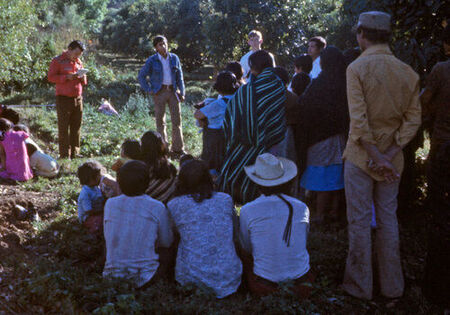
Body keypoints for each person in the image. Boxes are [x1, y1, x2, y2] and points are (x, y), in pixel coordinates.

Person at [342, 11, 421, 300]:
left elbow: (359, 122)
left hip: (361, 157)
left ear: (362, 34)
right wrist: (389, 155)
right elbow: (413, 121)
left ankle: (359, 287)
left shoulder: (356, 69)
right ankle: (392, 287)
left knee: (360, 222)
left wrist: (375, 155)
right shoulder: (407, 72)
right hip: (392, 161)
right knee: (388, 220)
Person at [239, 153, 313, 297]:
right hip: (303, 285)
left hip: (263, 286)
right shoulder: (302, 207)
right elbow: (304, 239)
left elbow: (246, 248)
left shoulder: (248, 210)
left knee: (244, 255)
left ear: (257, 183)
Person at [219, 50, 286, 204]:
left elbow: (230, 116)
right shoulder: (279, 85)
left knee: (235, 171)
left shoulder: (246, 90)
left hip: (243, 144)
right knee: (266, 178)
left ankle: (241, 205)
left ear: (253, 68)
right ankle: (263, 205)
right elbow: (277, 116)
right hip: (271, 144)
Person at [167, 159, 242, 298]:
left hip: (190, 281)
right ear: (208, 179)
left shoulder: (174, 205)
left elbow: (171, 236)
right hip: (229, 279)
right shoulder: (225, 199)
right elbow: (235, 233)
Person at [295, 46, 349, 223]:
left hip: (319, 138)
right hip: (339, 137)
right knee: (335, 174)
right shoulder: (345, 81)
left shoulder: (320, 82)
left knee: (322, 176)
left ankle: (319, 214)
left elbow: (304, 106)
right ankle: (333, 210)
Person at [103, 160, 173, 288]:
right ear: (147, 183)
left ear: (120, 184)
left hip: (112, 277)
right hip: (146, 278)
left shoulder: (110, 204)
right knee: (170, 250)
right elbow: (166, 242)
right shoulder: (157, 207)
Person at [420, 24, 450, 309]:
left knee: (440, 219)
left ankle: (437, 290)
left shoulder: (442, 70)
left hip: (444, 150)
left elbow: (423, 106)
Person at [138, 35, 186, 158]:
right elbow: (141, 76)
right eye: (160, 45)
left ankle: (178, 149)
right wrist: (149, 89)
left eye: (164, 43)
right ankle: (163, 149)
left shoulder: (174, 58)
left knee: (177, 121)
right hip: (159, 92)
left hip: (173, 91)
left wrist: (182, 92)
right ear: (156, 47)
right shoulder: (152, 60)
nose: (163, 46)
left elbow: (179, 77)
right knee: (160, 121)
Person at [48, 40, 87, 159]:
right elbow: (51, 77)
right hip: (63, 99)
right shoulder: (57, 60)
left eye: (79, 54)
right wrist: (66, 77)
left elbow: (84, 82)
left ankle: (75, 152)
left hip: (78, 98)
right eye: (76, 53)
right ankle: (65, 154)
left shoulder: (78, 62)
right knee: (64, 127)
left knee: (76, 126)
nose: (77, 56)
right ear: (69, 49)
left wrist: (82, 76)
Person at [194, 71, 239, 175]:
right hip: (230, 134)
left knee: (211, 161)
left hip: (214, 136)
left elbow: (198, 115)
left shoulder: (219, 103)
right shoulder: (237, 100)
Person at [140, 131, 177, 204]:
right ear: (162, 146)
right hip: (167, 206)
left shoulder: (141, 168)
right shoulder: (169, 167)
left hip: (147, 207)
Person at [77, 161, 105, 235]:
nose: (100, 178)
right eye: (98, 176)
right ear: (90, 179)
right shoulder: (85, 194)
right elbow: (89, 211)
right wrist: (103, 211)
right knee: (100, 222)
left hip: (99, 212)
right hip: (88, 217)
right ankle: (91, 232)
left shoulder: (96, 187)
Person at [0, 118, 33, 182]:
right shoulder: (21, 134)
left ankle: (11, 175)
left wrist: (3, 168)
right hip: (25, 172)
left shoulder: (2, 139)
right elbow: (27, 135)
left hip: (12, 170)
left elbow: (2, 154)